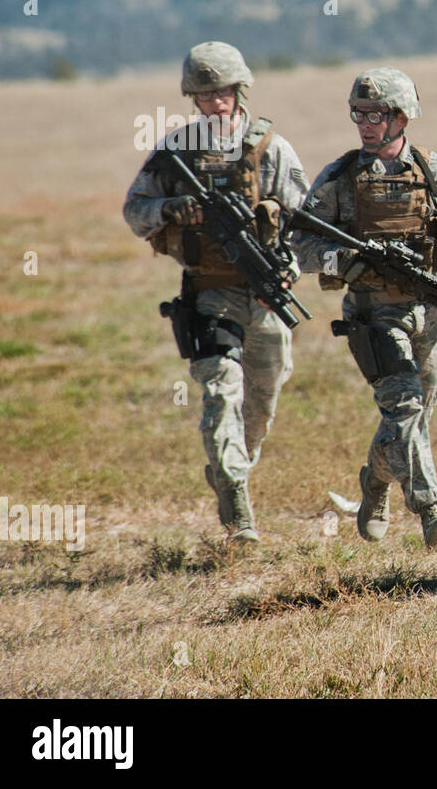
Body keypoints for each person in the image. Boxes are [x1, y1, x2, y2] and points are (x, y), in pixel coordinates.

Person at [293, 67, 437, 549]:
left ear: (402, 117)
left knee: (415, 414)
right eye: (358, 114)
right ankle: (430, 511)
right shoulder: (340, 179)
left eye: (376, 114)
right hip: (372, 315)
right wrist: (346, 259)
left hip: (430, 312)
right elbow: (299, 244)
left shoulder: (436, 172)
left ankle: (376, 481)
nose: (365, 123)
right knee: (403, 404)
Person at [124, 41, 308, 541]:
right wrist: (170, 209)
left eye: (223, 92)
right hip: (208, 294)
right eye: (204, 95)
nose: (215, 103)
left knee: (261, 403)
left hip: (265, 296)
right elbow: (135, 212)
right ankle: (237, 507)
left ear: (240, 90)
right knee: (221, 395)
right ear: (193, 97)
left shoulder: (271, 148)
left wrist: (286, 268)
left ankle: (233, 466)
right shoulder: (174, 155)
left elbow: (304, 221)